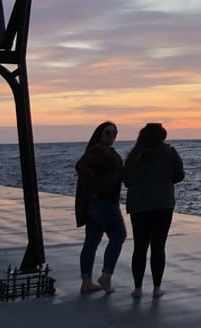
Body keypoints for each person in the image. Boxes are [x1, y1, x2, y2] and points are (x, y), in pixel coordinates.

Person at [123, 122, 185, 298]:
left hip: (138, 206)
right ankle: (157, 288)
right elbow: (180, 175)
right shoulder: (169, 152)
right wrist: (164, 180)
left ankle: (138, 288)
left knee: (139, 247)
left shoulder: (134, 155)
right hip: (162, 204)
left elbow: (126, 181)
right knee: (158, 247)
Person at [75, 121, 126, 294]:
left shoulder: (102, 151)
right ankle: (106, 276)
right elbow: (81, 167)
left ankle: (86, 281)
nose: (112, 136)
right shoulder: (99, 150)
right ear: (100, 134)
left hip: (97, 203)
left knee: (91, 241)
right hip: (104, 202)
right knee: (118, 235)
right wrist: (94, 189)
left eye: (114, 133)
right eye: (108, 132)